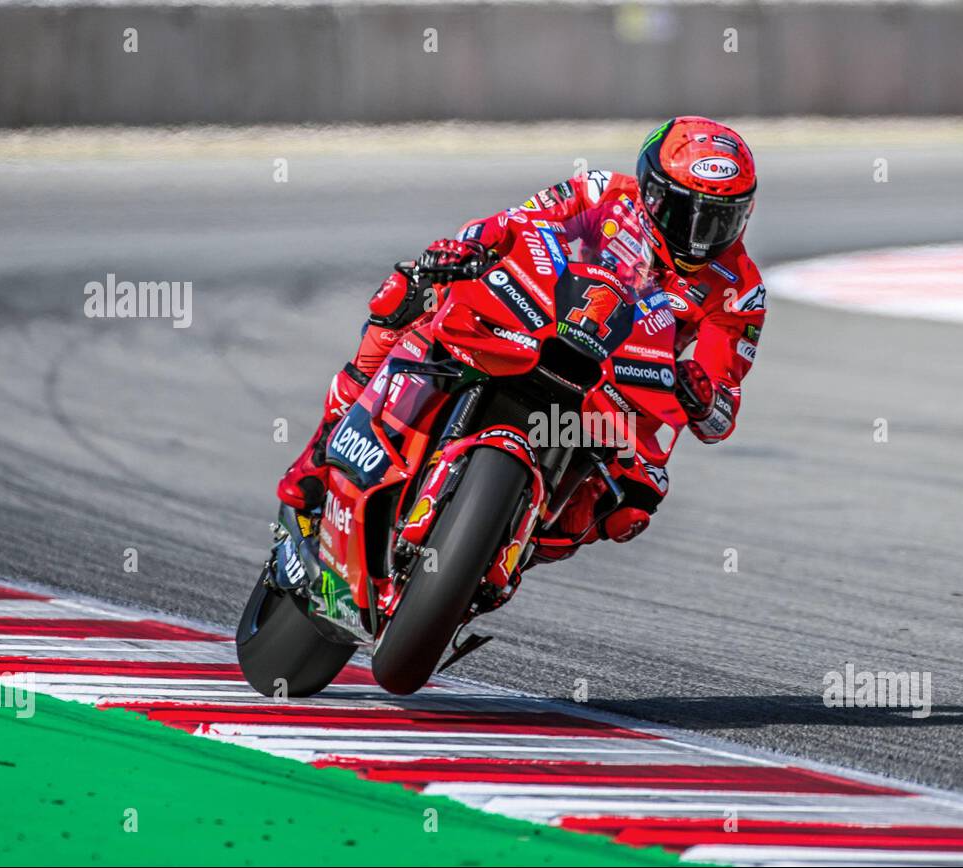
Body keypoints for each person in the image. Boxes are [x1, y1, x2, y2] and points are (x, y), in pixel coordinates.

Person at [277, 116, 766, 562]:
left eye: (720, 218)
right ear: (652, 191)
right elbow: (515, 223)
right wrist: (468, 248)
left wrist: (702, 394)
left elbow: (720, 415)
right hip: (535, 321)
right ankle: (321, 452)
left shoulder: (741, 290)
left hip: (622, 388)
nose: (700, 235)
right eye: (687, 212)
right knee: (409, 293)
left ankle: (495, 553)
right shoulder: (602, 194)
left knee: (631, 507)